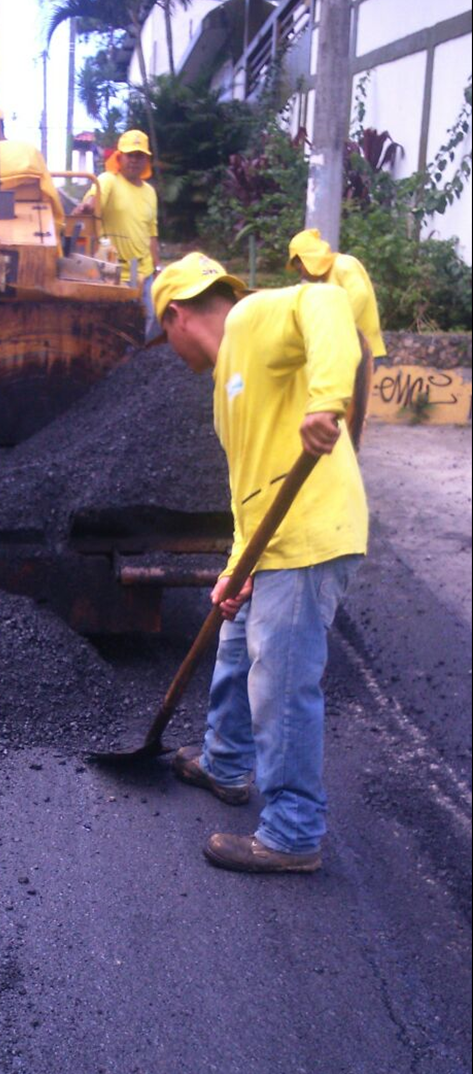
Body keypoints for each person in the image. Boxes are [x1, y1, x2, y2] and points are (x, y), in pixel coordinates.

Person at [152, 250, 367, 874]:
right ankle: (224, 762)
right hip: (269, 544)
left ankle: (294, 833)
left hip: (309, 540)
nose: (170, 351)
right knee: (235, 646)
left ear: (175, 316)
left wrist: (326, 401)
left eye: (164, 336)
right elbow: (251, 483)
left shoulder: (252, 319)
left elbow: (326, 300)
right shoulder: (227, 383)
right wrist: (235, 566)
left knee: (282, 684)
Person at [71, 129, 159, 337]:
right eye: (130, 155)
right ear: (120, 157)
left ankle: (135, 364)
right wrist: (87, 207)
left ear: (146, 160)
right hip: (113, 271)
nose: (135, 161)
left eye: (140, 156)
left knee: (147, 318)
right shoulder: (108, 180)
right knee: (114, 324)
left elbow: (152, 234)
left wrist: (156, 269)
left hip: (143, 272)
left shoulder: (150, 192)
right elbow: (94, 201)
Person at [288, 228, 386, 358]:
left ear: (308, 259)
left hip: (365, 351)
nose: (302, 274)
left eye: (299, 268)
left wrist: (336, 326)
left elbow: (360, 294)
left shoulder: (343, 264)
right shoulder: (329, 279)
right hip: (352, 350)